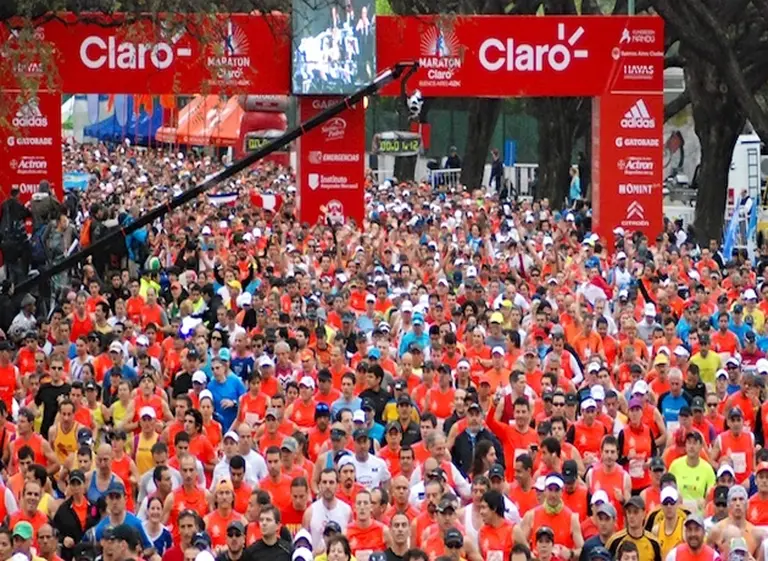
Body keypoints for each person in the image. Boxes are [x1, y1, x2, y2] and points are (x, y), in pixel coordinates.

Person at [605, 496, 662, 561]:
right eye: (629, 512)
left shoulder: (654, 543)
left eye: (635, 512)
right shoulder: (615, 541)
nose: (631, 516)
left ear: (644, 514)